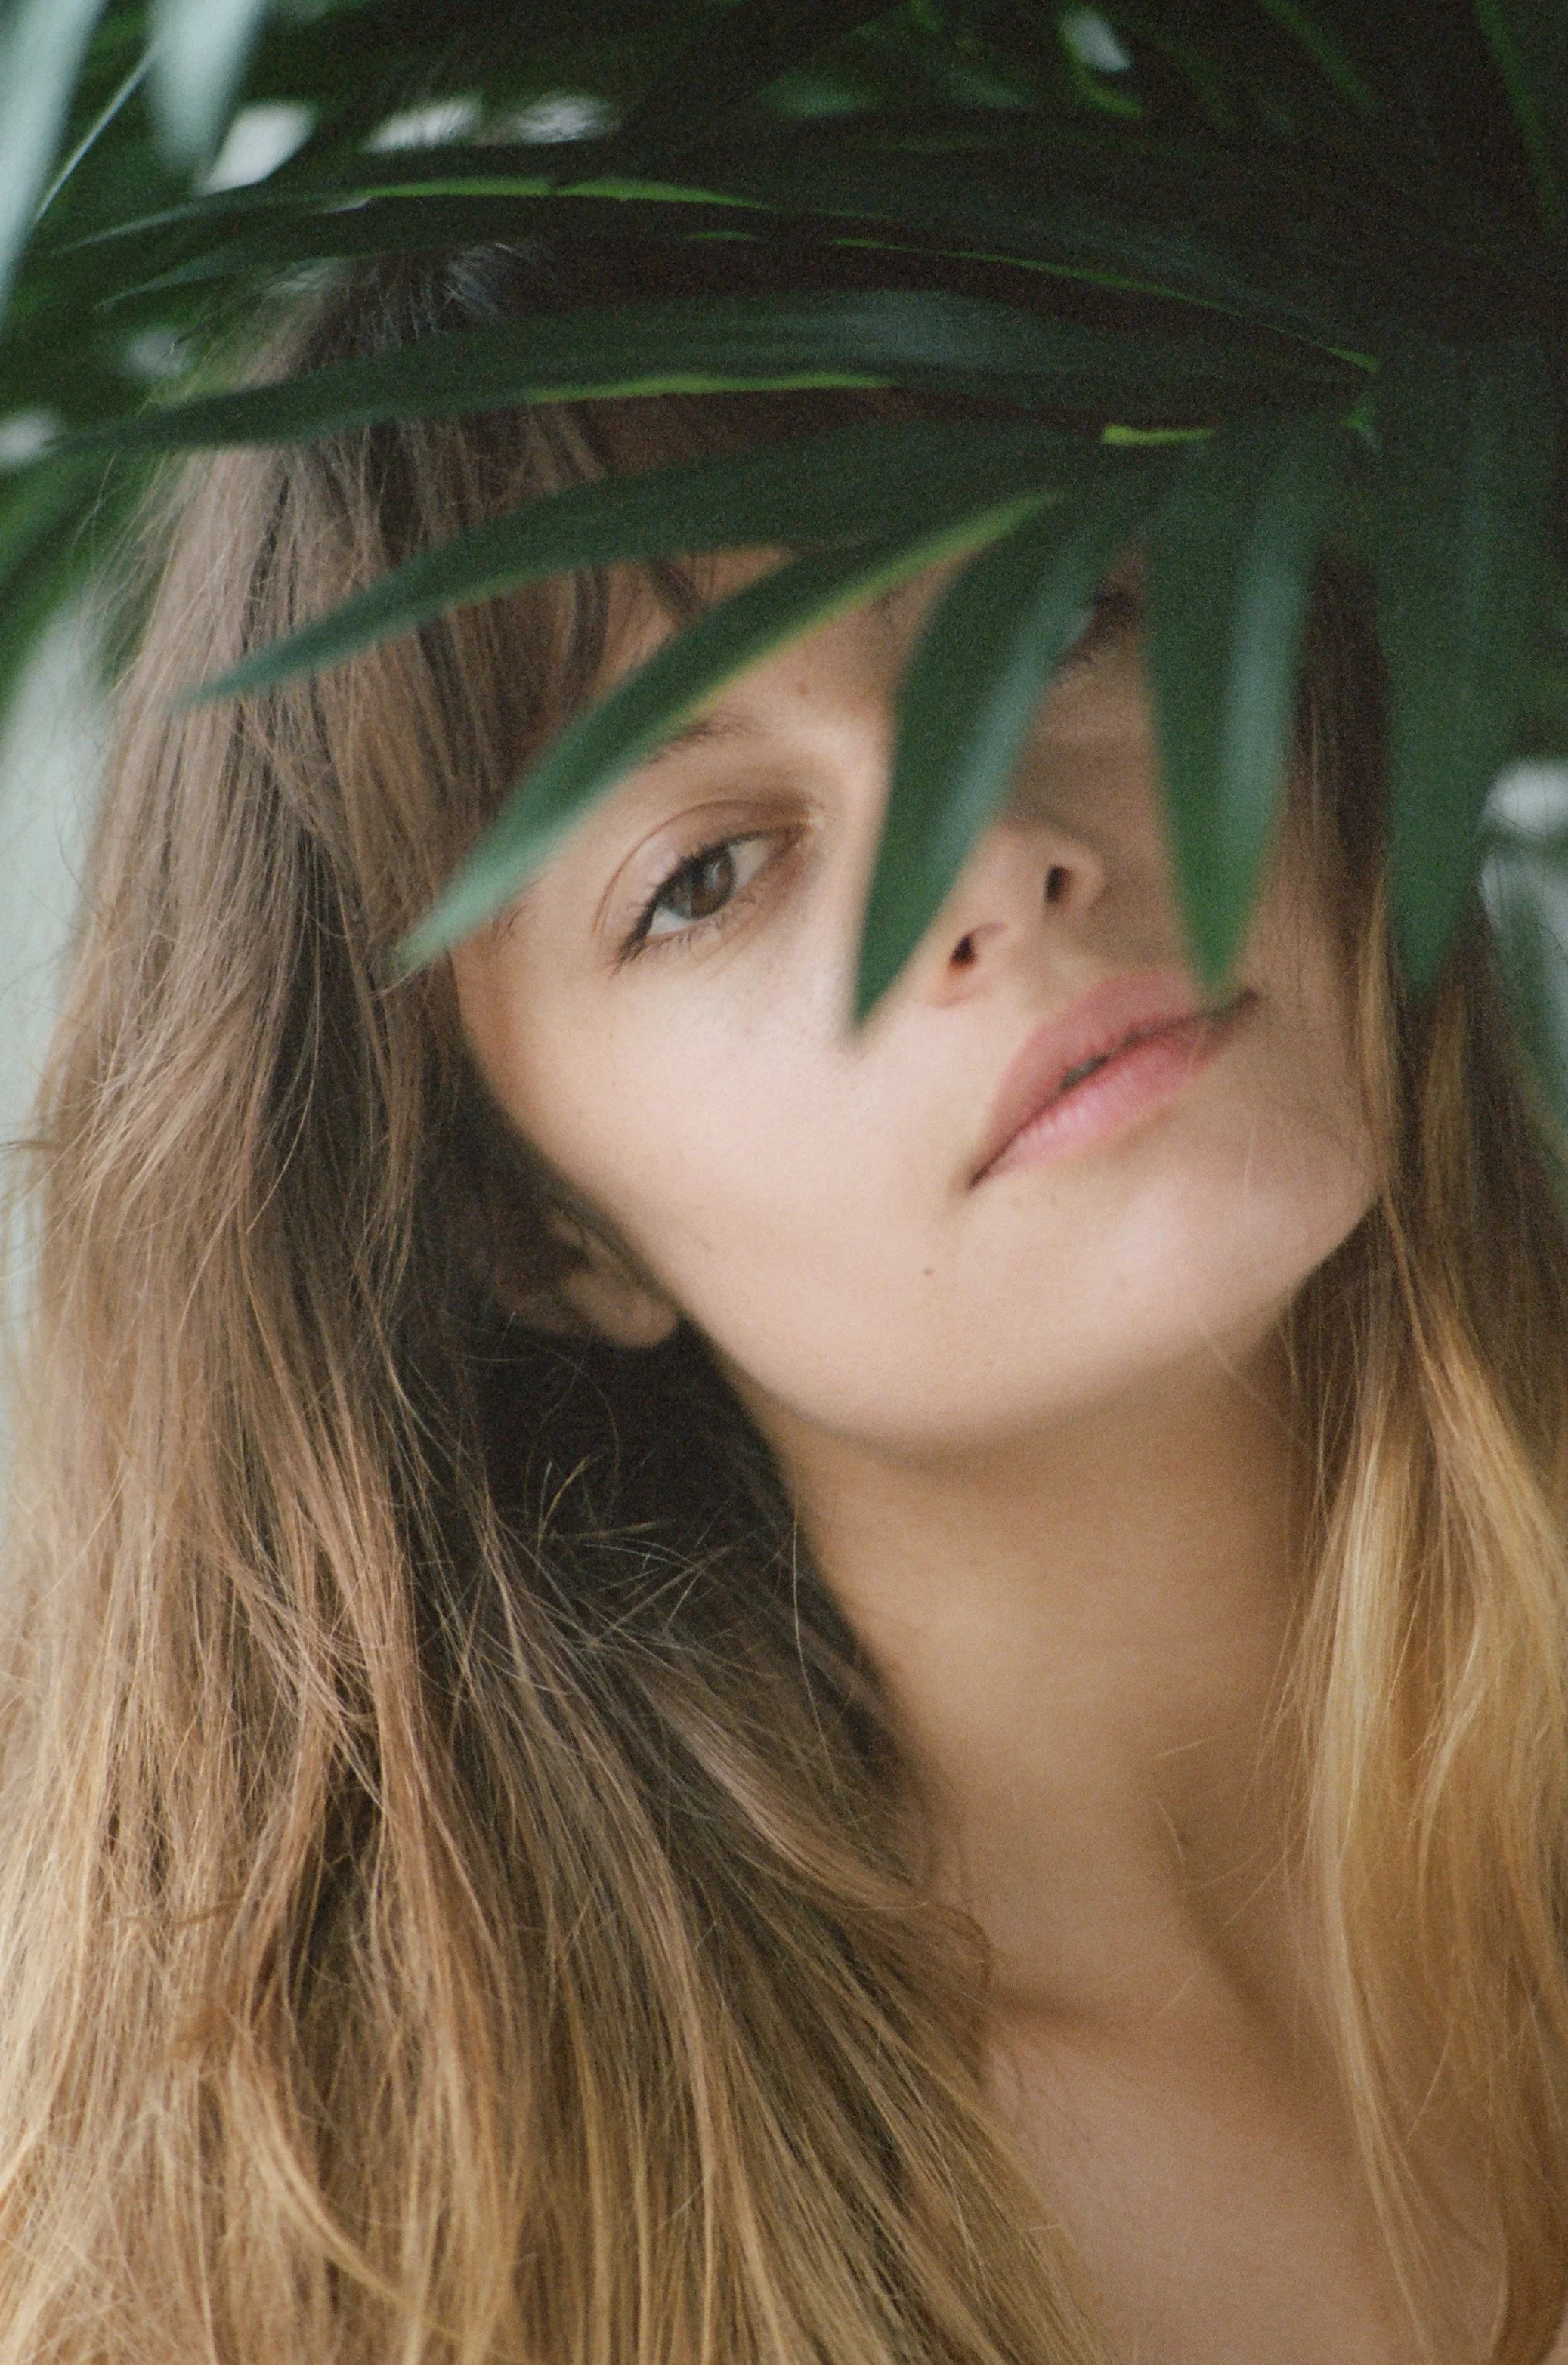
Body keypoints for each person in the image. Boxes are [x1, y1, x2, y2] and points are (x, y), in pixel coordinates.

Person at [0, 243, 1563, 2365]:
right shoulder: (482, 2273)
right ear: (535, 1230)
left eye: (1050, 618)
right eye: (708, 871)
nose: (991, 856)